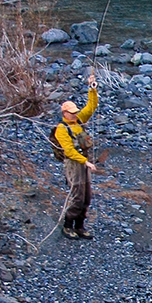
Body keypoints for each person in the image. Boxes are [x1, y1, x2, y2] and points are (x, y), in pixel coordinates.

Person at [55, 72, 98, 239]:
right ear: (64, 113)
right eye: (71, 112)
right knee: (77, 196)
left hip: (84, 163)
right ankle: (68, 225)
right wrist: (85, 162)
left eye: (75, 112)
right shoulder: (61, 129)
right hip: (74, 165)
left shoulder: (79, 120)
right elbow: (69, 151)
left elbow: (91, 106)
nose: (74, 114)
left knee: (87, 196)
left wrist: (92, 88)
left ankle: (80, 226)